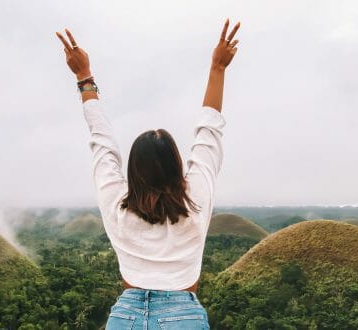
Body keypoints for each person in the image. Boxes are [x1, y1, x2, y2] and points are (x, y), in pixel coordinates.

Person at [56, 18, 240, 330]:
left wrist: (84, 77)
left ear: (133, 171)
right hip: (184, 318)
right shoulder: (196, 199)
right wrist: (218, 68)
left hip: (124, 317)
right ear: (177, 166)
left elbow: (102, 142)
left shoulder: (118, 206)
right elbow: (209, 131)